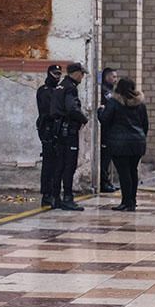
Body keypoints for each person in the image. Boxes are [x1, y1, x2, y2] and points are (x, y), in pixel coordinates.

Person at [99, 77, 149, 212]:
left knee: (124, 173)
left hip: (119, 144)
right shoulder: (140, 104)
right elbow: (145, 124)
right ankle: (132, 201)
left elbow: (104, 119)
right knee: (133, 171)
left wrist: (100, 111)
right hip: (138, 142)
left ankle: (126, 202)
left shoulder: (114, 103)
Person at [50, 62, 89, 211]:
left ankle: (55, 197)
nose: (83, 77)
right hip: (68, 132)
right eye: (82, 73)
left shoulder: (60, 86)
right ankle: (67, 197)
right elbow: (72, 108)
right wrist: (83, 119)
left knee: (59, 165)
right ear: (75, 73)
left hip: (59, 131)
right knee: (69, 165)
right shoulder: (70, 88)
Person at [36, 64, 62, 208]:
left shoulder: (57, 90)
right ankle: (47, 194)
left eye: (59, 74)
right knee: (48, 164)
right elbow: (48, 110)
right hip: (47, 128)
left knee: (58, 163)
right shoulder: (44, 91)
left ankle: (54, 192)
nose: (57, 77)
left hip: (56, 129)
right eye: (55, 74)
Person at [97, 67, 119, 193]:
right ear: (106, 77)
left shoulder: (110, 91)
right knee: (105, 157)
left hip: (110, 128)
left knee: (108, 157)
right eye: (113, 77)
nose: (115, 80)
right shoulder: (104, 91)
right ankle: (104, 182)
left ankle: (107, 181)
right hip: (105, 129)